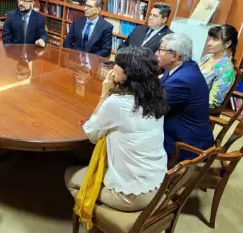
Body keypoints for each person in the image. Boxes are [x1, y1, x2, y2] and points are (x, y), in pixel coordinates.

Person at [65, 46, 168, 212]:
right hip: (158, 182)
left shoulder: (117, 103)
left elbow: (91, 133)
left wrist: (104, 94)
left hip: (131, 194)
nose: (113, 68)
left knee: (70, 175)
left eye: (117, 65)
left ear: (127, 73)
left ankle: (98, 225)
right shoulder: (156, 96)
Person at [157, 33, 214, 160]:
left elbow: (153, 107)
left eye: (161, 50)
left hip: (185, 143)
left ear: (175, 56)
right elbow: (159, 87)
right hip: (179, 127)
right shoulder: (184, 67)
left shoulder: (182, 81)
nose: (157, 53)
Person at [200, 24, 238, 108]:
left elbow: (213, 102)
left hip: (198, 108)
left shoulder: (226, 69)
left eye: (215, 40)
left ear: (227, 43)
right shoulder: (206, 57)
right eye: (210, 39)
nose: (209, 43)